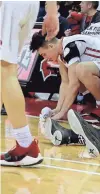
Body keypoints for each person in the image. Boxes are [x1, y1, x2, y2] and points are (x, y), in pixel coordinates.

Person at [0, 1, 59, 166]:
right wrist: (52, 10)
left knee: (5, 71)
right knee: (5, 72)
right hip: (29, 5)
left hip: (9, 5)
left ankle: (26, 145)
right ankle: (25, 146)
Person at [29, 33, 100, 123]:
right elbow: (65, 83)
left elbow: (74, 85)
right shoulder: (61, 55)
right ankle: (91, 104)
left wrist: (62, 113)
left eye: (44, 54)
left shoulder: (70, 46)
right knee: (75, 72)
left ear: (51, 46)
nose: (45, 58)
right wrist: (57, 109)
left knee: (80, 69)